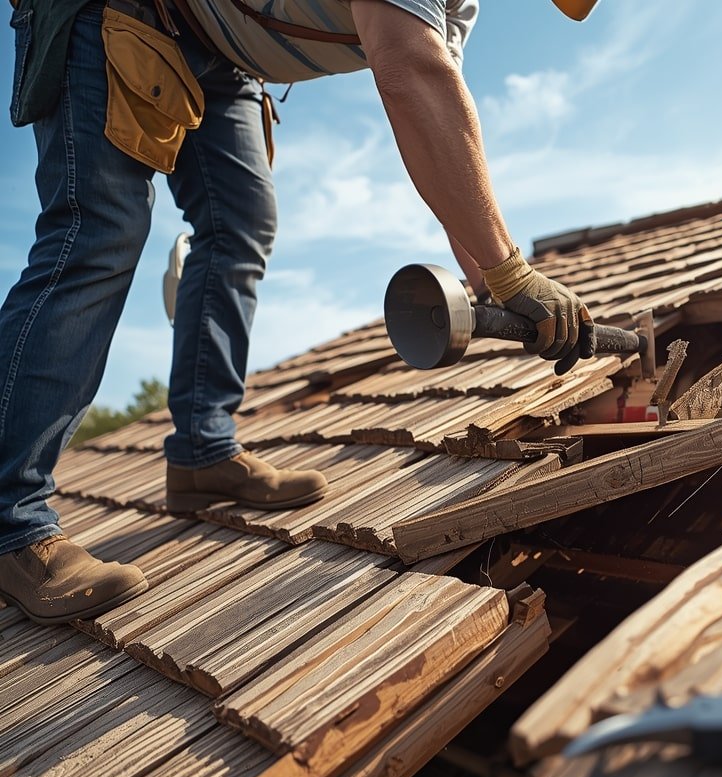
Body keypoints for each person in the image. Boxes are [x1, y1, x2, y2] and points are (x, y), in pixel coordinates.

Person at [0, 0, 594, 625]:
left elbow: (442, 131)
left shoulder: (458, 7)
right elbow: (410, 73)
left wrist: (500, 284)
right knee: (99, 231)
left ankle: (203, 453)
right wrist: (512, 272)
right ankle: (12, 521)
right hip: (109, 8)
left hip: (218, 48)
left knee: (239, 227)